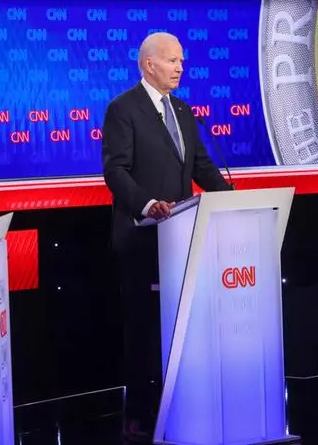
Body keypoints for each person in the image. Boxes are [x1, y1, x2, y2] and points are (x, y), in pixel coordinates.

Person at [101, 32, 233, 441]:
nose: (180, 67)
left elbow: (201, 166)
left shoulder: (183, 110)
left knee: (182, 326)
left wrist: (231, 199)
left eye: (181, 61)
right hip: (142, 238)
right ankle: (141, 415)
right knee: (144, 330)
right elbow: (115, 171)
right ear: (149, 64)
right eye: (173, 60)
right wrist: (148, 204)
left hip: (183, 239)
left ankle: (183, 404)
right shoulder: (123, 109)